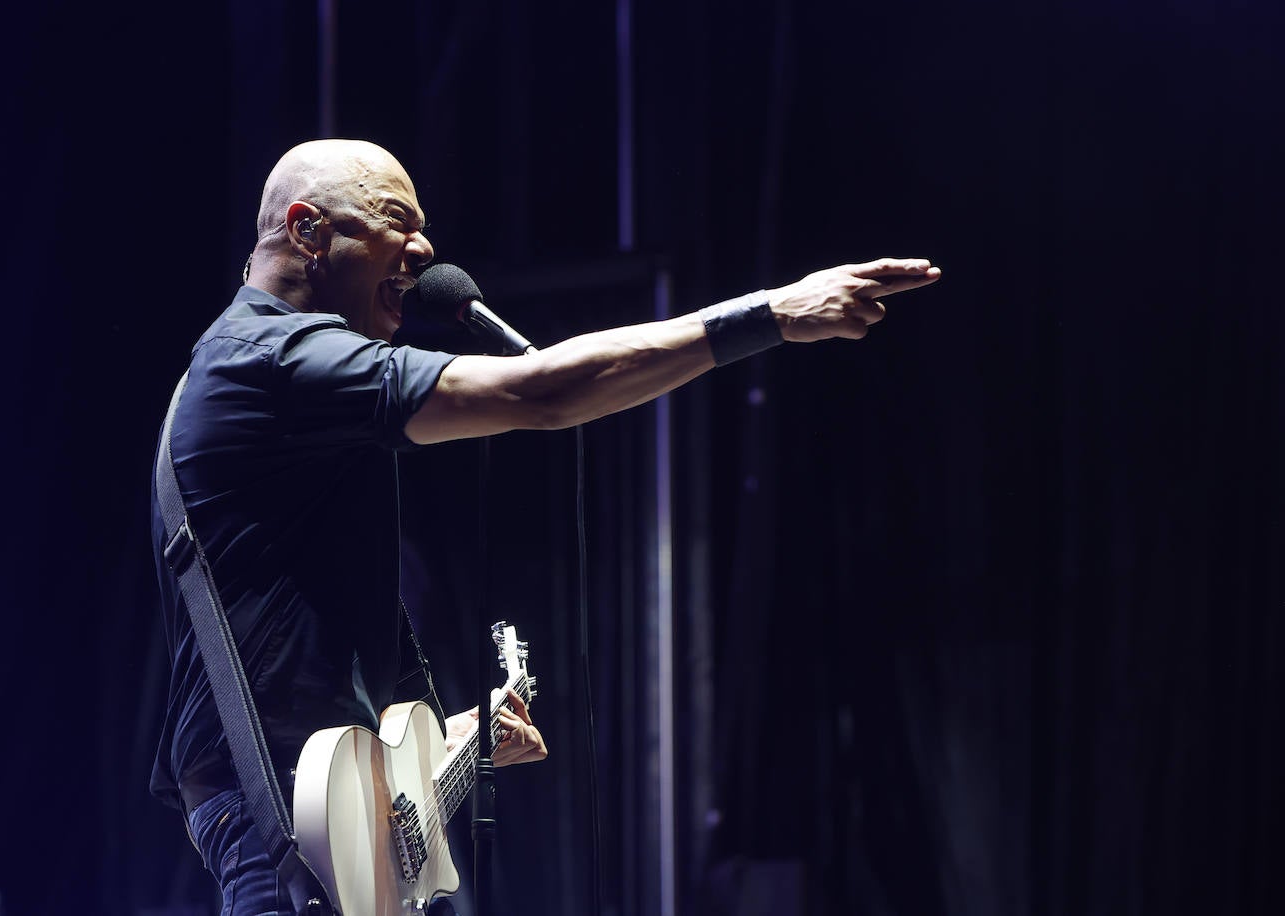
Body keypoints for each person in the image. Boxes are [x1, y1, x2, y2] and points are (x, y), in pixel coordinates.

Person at [150, 138, 940, 915]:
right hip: (278, 826)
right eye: (396, 219)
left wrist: (456, 739)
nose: (424, 248)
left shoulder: (293, 391)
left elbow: (302, 662)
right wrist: (771, 314)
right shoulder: (263, 358)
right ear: (308, 230)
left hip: (329, 808)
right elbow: (542, 395)